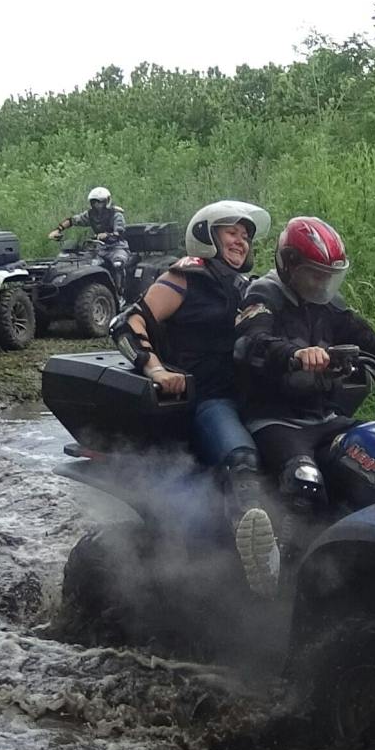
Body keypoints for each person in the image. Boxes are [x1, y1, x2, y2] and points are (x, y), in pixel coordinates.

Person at [233, 216, 375, 595]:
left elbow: (373, 342)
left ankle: (362, 564)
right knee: (304, 481)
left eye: (328, 275)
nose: (322, 283)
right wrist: (296, 353)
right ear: (289, 265)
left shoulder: (328, 305)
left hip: (326, 416)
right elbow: (251, 344)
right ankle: (280, 577)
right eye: (313, 273)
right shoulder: (263, 297)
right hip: (276, 418)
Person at [109, 200, 275, 561]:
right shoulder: (183, 280)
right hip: (210, 398)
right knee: (242, 458)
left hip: (250, 397)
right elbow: (128, 322)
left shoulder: (249, 287)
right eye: (231, 232)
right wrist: (155, 369)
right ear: (205, 235)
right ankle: (255, 551)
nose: (241, 241)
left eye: (245, 236)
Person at [50, 187, 132, 291]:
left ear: (106, 201)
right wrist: (58, 230)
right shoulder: (90, 215)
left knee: (118, 264)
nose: (97, 205)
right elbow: (73, 220)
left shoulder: (116, 214)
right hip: (99, 249)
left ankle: (121, 291)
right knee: (86, 265)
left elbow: (119, 232)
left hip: (117, 247)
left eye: (99, 202)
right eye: (94, 202)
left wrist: (107, 235)